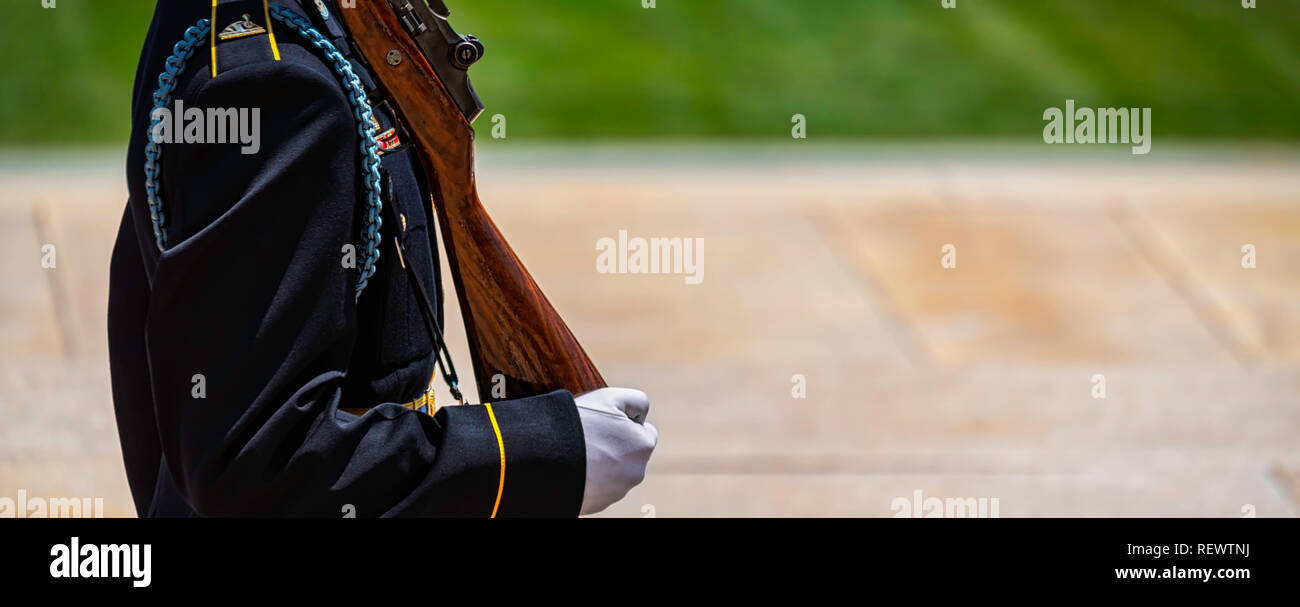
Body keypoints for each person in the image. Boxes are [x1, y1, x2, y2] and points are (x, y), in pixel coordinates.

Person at [108, 0, 656, 517]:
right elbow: (253, 461)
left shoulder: (256, 24)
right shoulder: (276, 86)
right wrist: (539, 454)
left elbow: (150, 306)